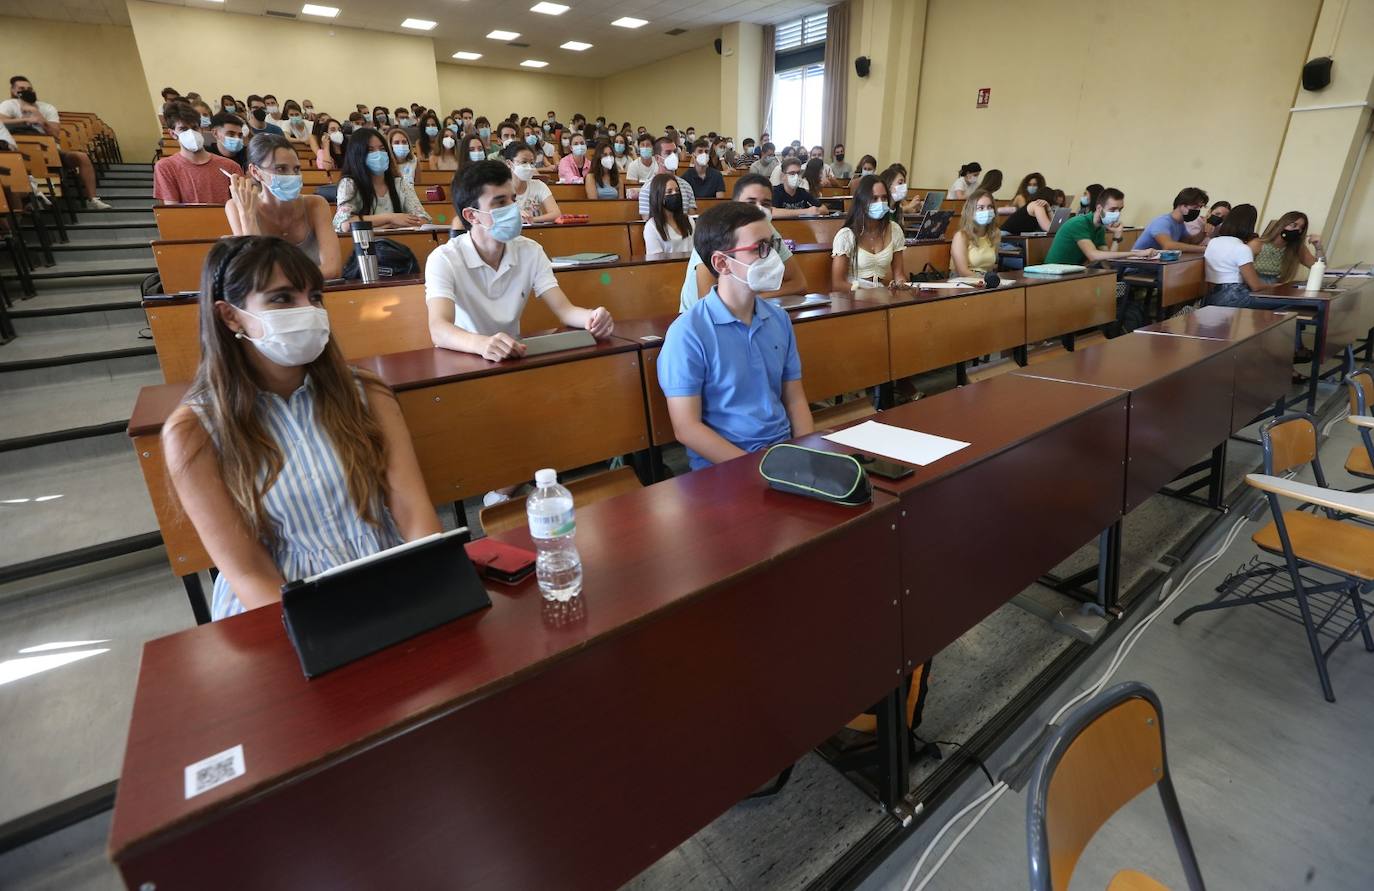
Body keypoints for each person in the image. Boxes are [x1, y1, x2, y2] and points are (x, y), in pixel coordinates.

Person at [163, 236, 441, 620]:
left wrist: (432, 590)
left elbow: (413, 512)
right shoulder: (194, 432)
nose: (307, 311)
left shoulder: (366, 393)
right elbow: (248, 570)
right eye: (281, 299)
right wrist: (323, 631)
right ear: (230, 316)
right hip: (282, 606)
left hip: (389, 576)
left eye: (315, 298)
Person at [659, 202, 813, 472]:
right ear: (722, 263)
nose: (772, 258)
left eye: (772, 246)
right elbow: (687, 428)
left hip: (783, 453)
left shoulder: (778, 319)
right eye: (759, 248)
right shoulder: (688, 333)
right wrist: (758, 468)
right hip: (725, 469)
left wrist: (807, 453)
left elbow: (795, 399)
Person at [425, 159, 613, 364]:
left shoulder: (530, 251)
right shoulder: (443, 258)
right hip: (465, 358)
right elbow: (439, 329)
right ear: (472, 216)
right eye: (500, 202)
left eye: (513, 199)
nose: (514, 208)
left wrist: (592, 318)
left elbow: (565, 310)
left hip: (512, 356)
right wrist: (481, 344)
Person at [680, 175, 805, 311]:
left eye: (766, 204)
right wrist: (751, 300)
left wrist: (754, 300)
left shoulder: (768, 231)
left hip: (746, 309)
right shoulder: (715, 232)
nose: (759, 209)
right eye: (750, 202)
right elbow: (707, 299)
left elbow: (799, 283)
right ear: (734, 204)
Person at [226, 134, 341, 279]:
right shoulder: (238, 207)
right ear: (255, 172)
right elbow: (256, 274)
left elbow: (333, 270)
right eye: (281, 169)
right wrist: (247, 215)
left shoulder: (316, 204)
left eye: (296, 169)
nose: (292, 176)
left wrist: (276, 281)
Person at [1, 75, 111, 209]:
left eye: (29, 88)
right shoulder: (8, 105)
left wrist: (38, 115)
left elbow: (55, 134)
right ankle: (30, 200)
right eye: (21, 88)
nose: (26, 91)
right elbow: (2, 122)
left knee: (81, 157)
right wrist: (26, 120)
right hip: (22, 153)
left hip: (50, 152)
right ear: (13, 91)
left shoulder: (47, 108)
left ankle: (93, 199)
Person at [331, 128, 430, 232]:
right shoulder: (349, 184)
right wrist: (390, 218)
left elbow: (424, 220)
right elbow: (345, 224)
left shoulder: (401, 183)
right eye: (370, 150)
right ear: (357, 155)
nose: (378, 154)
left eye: (382, 149)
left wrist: (386, 225)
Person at [831, 176, 910, 291]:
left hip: (881, 295)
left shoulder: (895, 230)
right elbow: (838, 284)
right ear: (862, 201)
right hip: (853, 297)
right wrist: (866, 293)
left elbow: (899, 274)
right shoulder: (846, 235)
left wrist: (900, 284)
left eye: (884, 198)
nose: (881, 203)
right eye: (874, 198)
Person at [153, 102, 240, 205]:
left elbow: (241, 205)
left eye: (194, 128)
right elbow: (173, 211)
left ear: (201, 129)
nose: (191, 133)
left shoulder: (230, 166)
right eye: (183, 129)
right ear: (173, 133)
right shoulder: (166, 167)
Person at [1044, 187, 1156, 265]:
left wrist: (1117, 237)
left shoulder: (1099, 228)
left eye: (1120, 210)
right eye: (1112, 209)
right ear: (1099, 209)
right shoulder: (1079, 223)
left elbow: (1107, 262)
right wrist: (1137, 253)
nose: (1117, 213)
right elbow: (1093, 255)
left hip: (1074, 273)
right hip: (1054, 275)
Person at [1204, 204, 1266, 307]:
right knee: (1285, 305)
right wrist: (1277, 286)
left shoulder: (1213, 242)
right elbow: (1256, 286)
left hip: (1211, 297)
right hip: (1234, 297)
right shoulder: (1242, 248)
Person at [1132, 187, 1210, 253]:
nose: (1198, 211)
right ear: (1183, 205)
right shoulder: (1163, 222)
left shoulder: (1180, 224)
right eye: (1195, 207)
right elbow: (1168, 246)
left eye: (1200, 207)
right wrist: (1204, 249)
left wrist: (1203, 231)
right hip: (1138, 268)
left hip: (1157, 266)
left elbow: (1189, 242)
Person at [637, 137, 697, 220]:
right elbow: (648, 221)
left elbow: (692, 218)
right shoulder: (647, 189)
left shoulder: (686, 186)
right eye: (668, 153)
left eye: (675, 152)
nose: (673, 156)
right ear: (658, 158)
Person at [1254, 211, 1321, 284]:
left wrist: (1319, 248)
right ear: (1282, 225)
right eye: (1293, 225)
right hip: (1253, 288)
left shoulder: (1297, 248)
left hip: (1276, 290)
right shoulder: (1258, 244)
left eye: (1301, 228)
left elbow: (1319, 268)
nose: (1298, 230)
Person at [503, 142, 561, 223]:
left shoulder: (539, 185)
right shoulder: (500, 189)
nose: (529, 167)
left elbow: (556, 213)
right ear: (509, 163)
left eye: (531, 163)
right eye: (524, 162)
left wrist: (532, 220)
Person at [950, 190, 1001, 278]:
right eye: (980, 208)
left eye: (989, 207)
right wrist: (985, 280)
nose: (987, 211)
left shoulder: (995, 234)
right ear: (971, 211)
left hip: (985, 280)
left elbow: (991, 268)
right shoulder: (961, 236)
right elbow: (962, 272)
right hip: (963, 282)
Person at [643, 174, 695, 256]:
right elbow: (656, 261)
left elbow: (696, 252)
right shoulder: (651, 226)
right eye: (669, 191)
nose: (675, 194)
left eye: (677, 191)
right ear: (659, 196)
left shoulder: (689, 220)